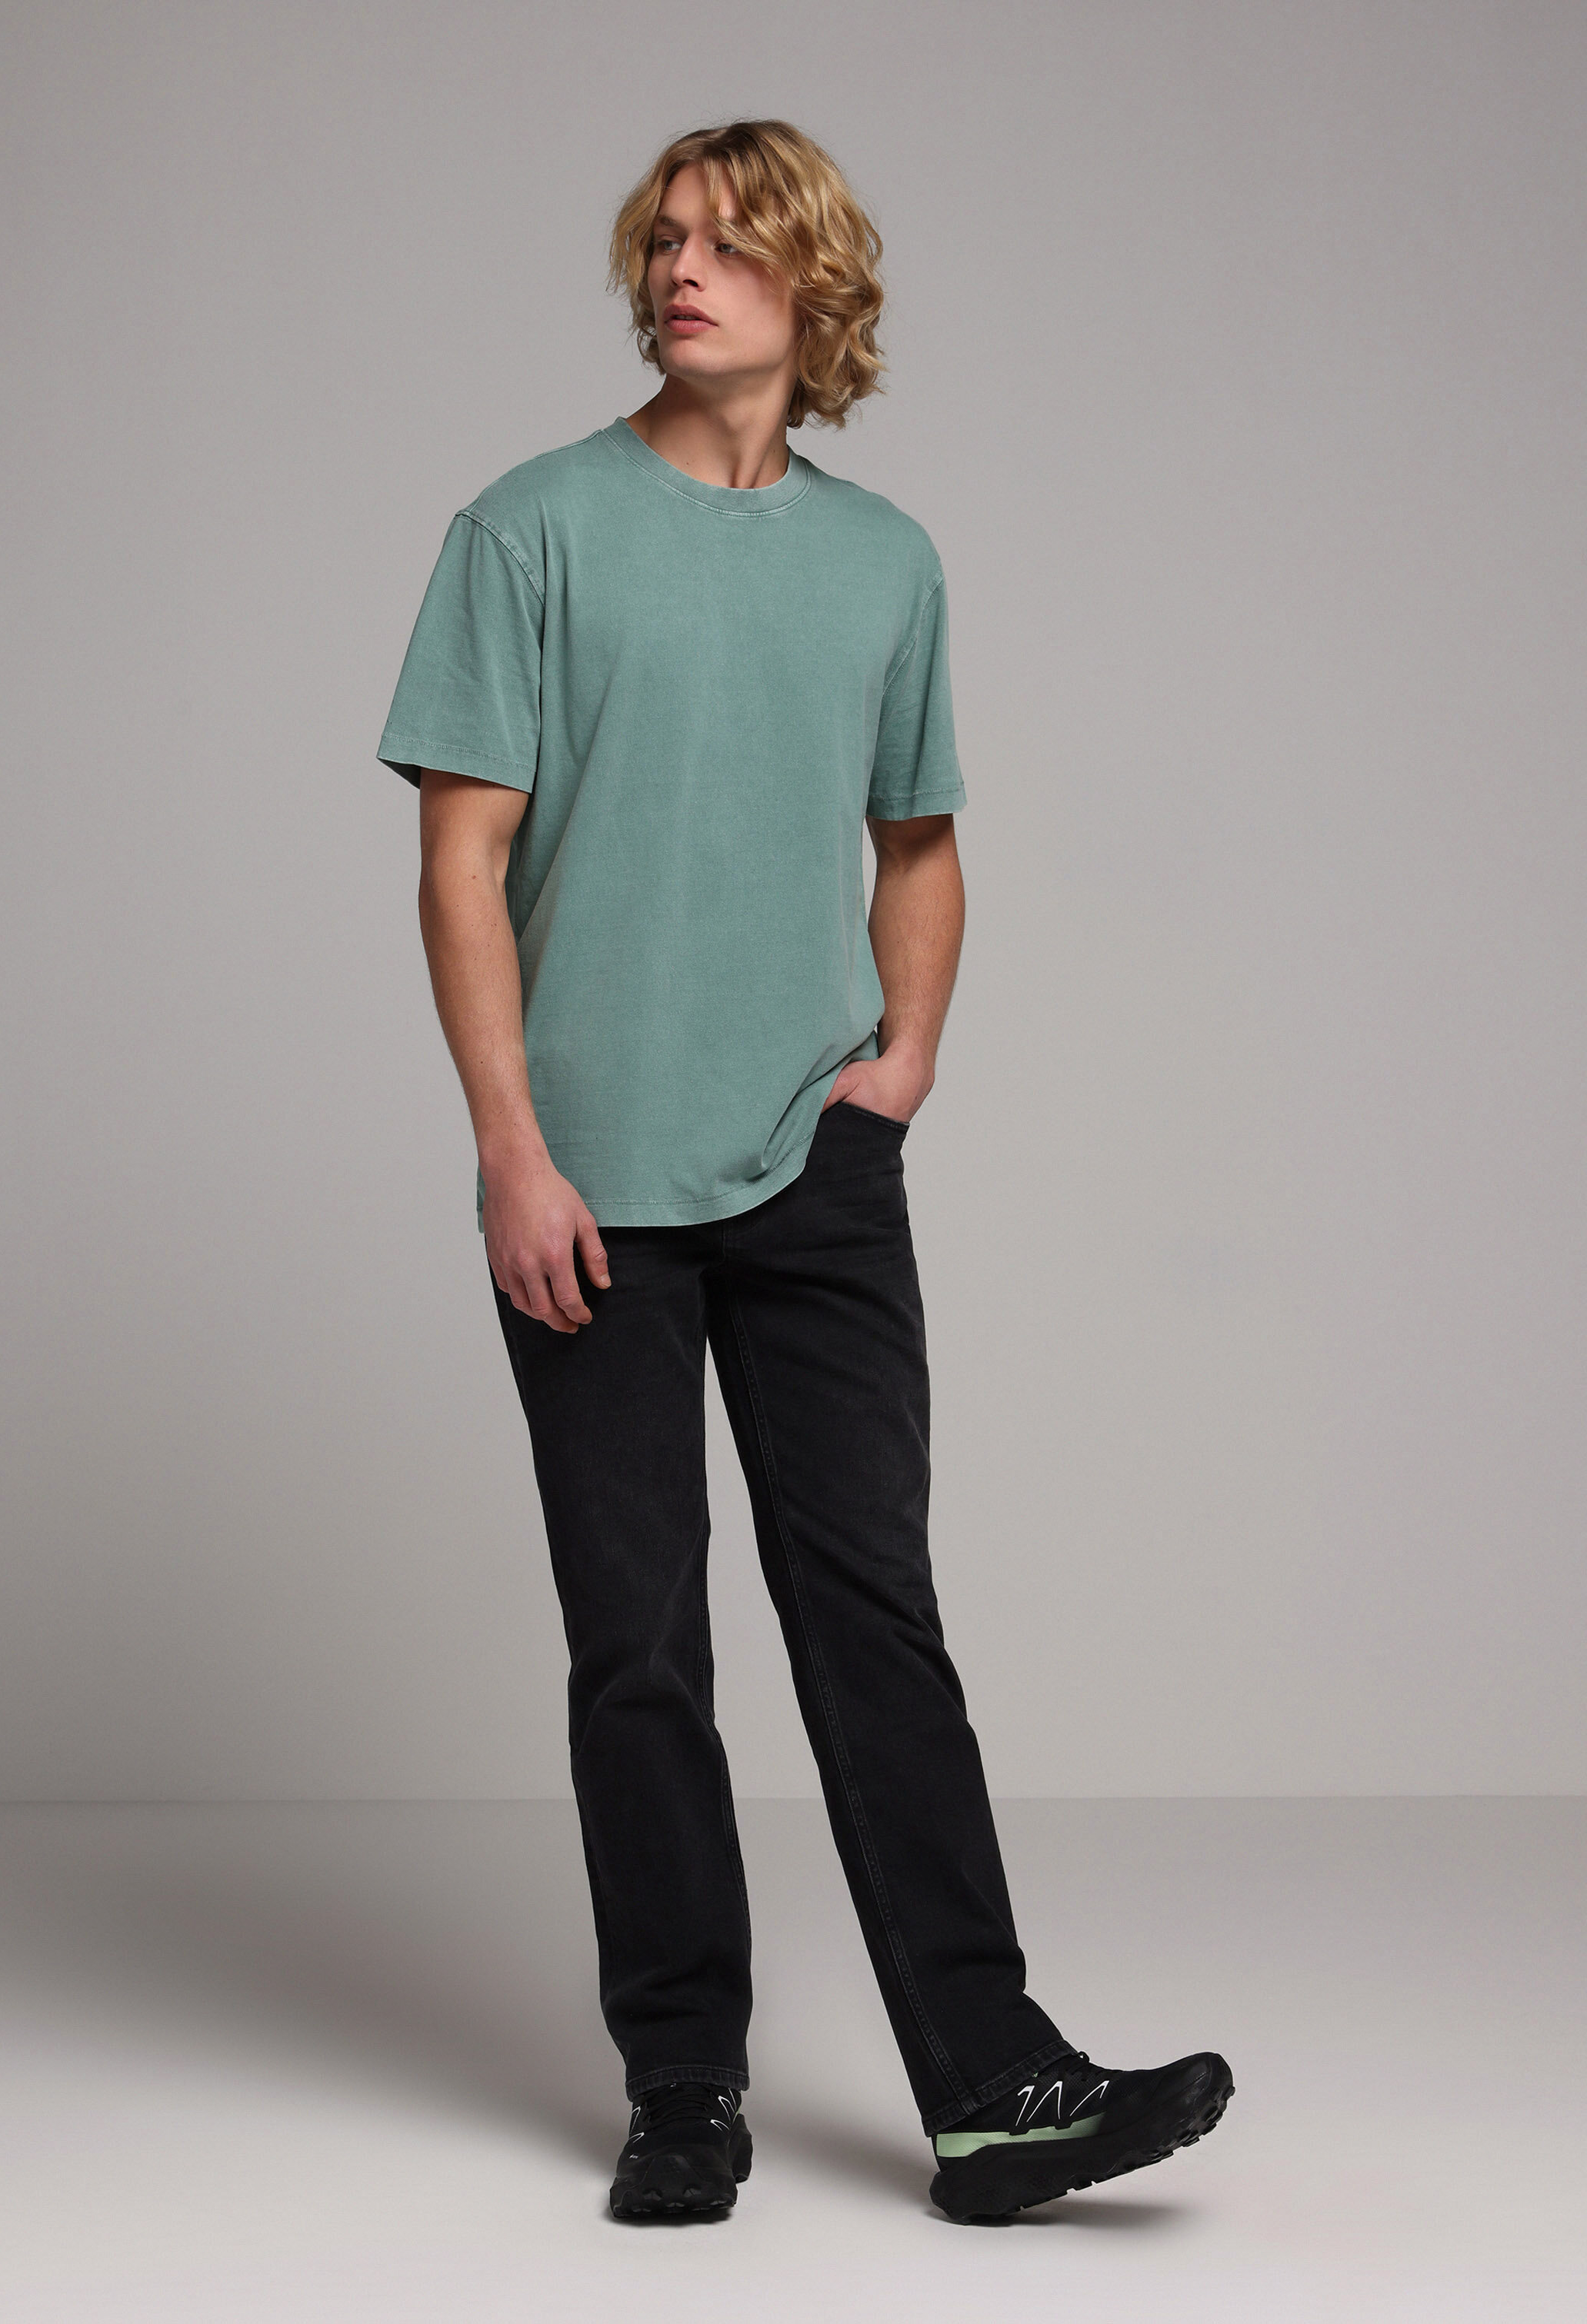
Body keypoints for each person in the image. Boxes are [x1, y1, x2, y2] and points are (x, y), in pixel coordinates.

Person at [377, 118, 1232, 2223]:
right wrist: (510, 1151)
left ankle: (994, 2092)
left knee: (875, 1618)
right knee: (640, 1645)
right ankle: (685, 2088)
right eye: (663, 239)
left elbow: (918, 842)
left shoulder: (887, 562)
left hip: (815, 1171)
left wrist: (904, 1061)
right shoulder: (527, 530)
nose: (683, 269)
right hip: (587, 1183)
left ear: (812, 284)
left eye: (729, 241)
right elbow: (462, 863)